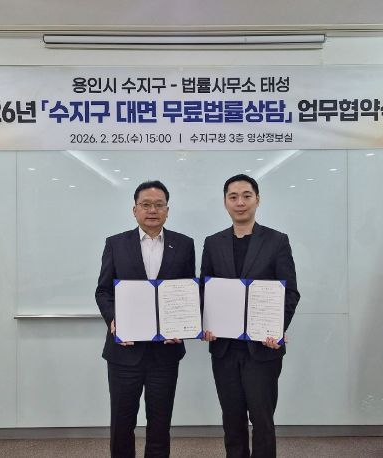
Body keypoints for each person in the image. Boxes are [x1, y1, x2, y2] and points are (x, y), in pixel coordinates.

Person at [200, 174, 300, 458]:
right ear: (225, 202)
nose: (240, 202)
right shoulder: (213, 242)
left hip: (262, 349)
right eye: (233, 197)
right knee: (232, 420)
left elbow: (290, 292)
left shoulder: (277, 241)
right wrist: (204, 324)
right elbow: (205, 290)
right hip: (224, 348)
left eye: (246, 196)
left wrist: (277, 328)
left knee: (262, 420)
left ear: (258, 200)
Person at [95, 180, 196, 458]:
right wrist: (113, 320)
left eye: (159, 205)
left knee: (160, 425)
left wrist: (182, 325)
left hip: (165, 353)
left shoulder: (184, 244)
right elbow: (103, 291)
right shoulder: (116, 244)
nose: (152, 210)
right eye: (146, 204)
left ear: (167, 210)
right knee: (121, 424)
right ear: (135, 210)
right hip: (124, 352)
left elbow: (188, 292)